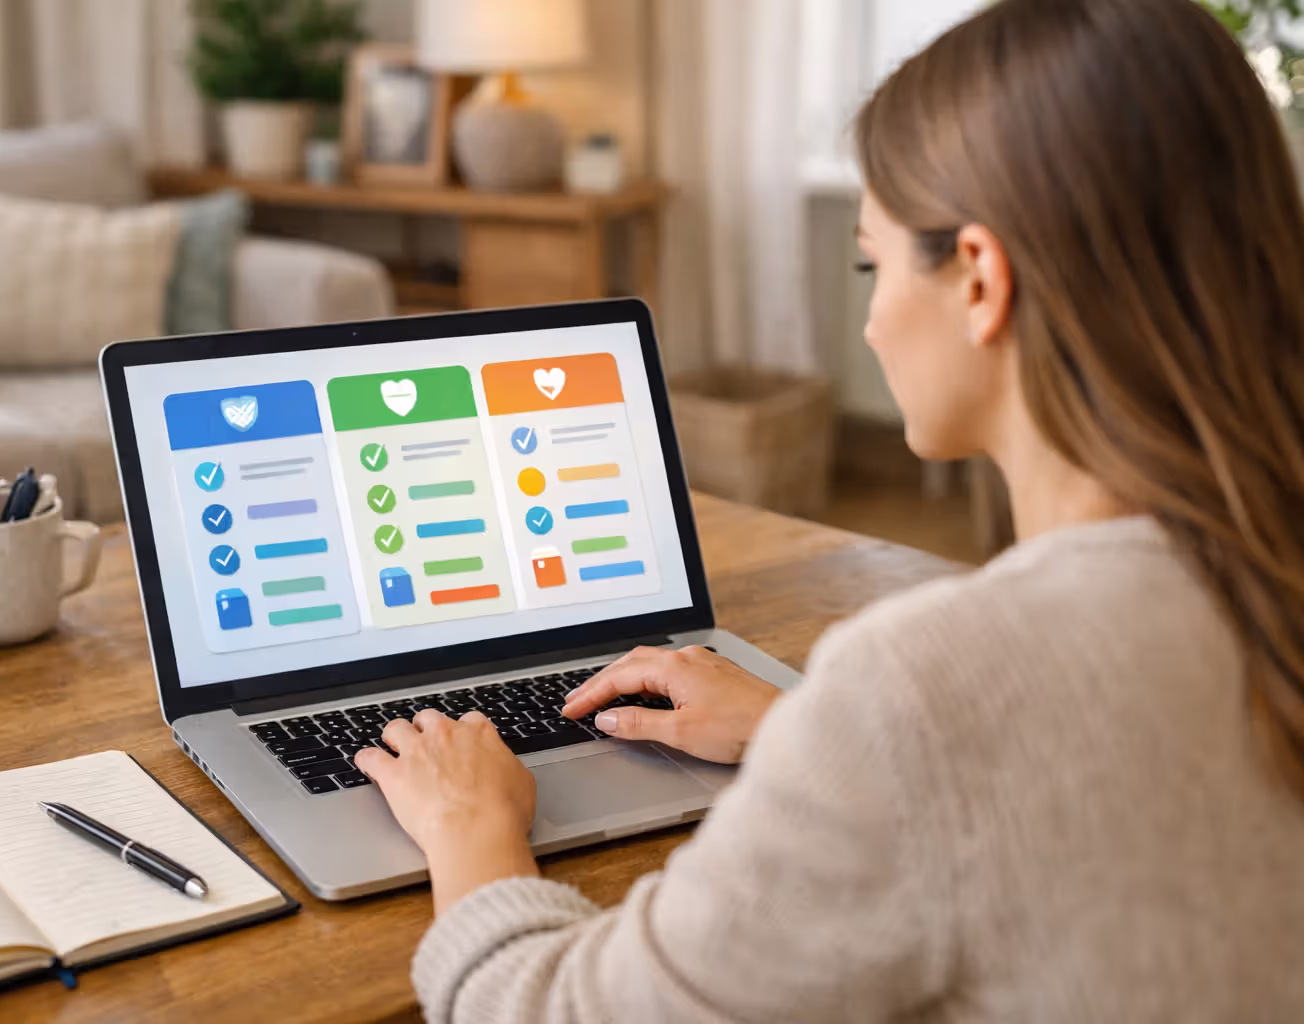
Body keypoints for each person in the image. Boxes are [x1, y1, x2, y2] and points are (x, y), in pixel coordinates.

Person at [353, 0, 1304, 1018]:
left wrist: (470, 827)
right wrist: (810, 731)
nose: (872, 316)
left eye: (873, 261)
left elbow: (548, 1008)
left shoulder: (933, 684)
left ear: (980, 279)